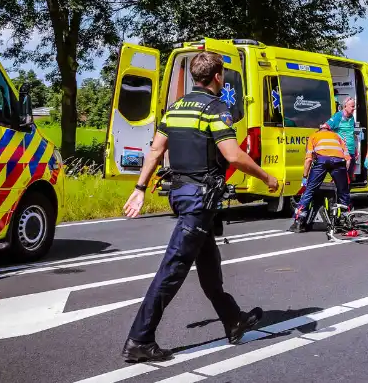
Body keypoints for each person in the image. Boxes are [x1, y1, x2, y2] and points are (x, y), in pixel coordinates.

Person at [120, 52, 280, 363]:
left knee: (208, 262)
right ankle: (139, 340)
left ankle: (233, 319)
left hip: (182, 195)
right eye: (222, 75)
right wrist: (266, 176)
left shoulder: (175, 108)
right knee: (173, 269)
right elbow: (232, 156)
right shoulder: (215, 109)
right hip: (199, 200)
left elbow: (155, 150)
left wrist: (140, 188)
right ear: (218, 76)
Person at [290, 125, 352, 232]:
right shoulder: (337, 137)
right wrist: (341, 175)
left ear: (319, 130)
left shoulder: (314, 136)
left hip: (321, 161)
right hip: (339, 162)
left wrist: (305, 177)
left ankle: (299, 222)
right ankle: (345, 220)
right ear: (330, 130)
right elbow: (348, 160)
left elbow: (309, 159)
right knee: (343, 192)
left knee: (309, 191)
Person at [327, 97, 359, 182]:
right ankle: (337, 193)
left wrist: (356, 150)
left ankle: (345, 193)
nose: (354, 108)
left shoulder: (352, 118)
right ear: (345, 106)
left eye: (354, 106)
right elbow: (326, 127)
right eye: (352, 106)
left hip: (351, 151)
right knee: (341, 176)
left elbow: (351, 134)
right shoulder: (338, 116)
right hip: (342, 152)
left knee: (351, 176)